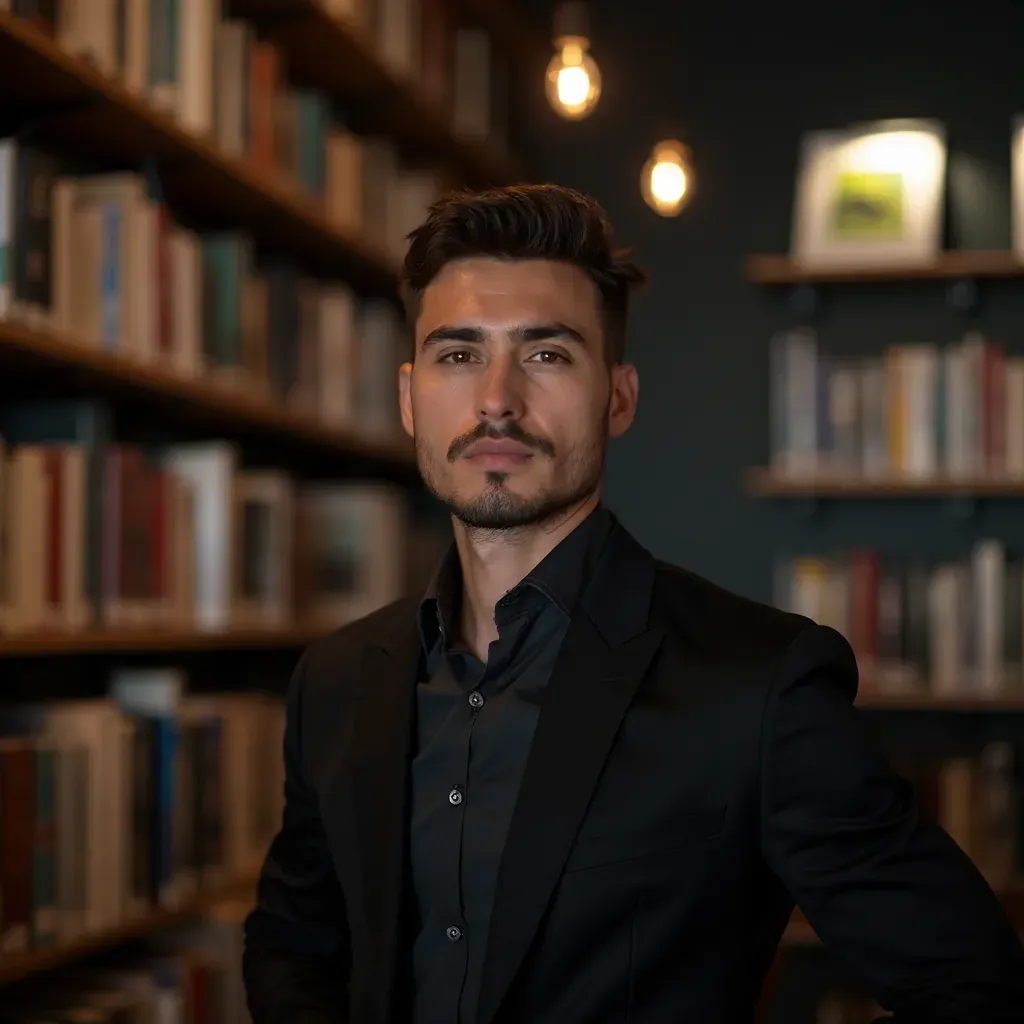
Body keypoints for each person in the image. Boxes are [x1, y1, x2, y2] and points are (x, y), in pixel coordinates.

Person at [242, 184, 1024, 1024]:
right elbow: (295, 947)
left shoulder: (758, 686)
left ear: (619, 396)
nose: (497, 397)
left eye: (546, 354)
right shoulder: (335, 680)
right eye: (458, 354)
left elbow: (972, 989)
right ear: (408, 397)